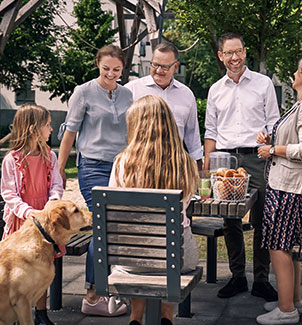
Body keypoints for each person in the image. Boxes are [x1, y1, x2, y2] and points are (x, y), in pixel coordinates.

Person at [109, 95, 199, 325]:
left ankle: (135, 317)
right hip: (176, 259)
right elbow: (185, 205)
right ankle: (166, 316)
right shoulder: (186, 163)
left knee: (142, 256)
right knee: (168, 257)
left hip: (130, 258)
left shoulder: (121, 163)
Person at [255, 54, 302, 324]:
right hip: (286, 186)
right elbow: (296, 137)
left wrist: (271, 149)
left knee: (279, 247)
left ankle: (286, 310)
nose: (294, 73)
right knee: (288, 246)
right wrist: (272, 137)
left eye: (298, 70)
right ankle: (293, 300)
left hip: (290, 189)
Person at [204, 32, 280, 300]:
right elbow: (211, 130)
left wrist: (268, 137)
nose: (234, 57)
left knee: (262, 219)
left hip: (258, 158)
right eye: (229, 53)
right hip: (226, 160)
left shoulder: (263, 84)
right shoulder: (215, 89)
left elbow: (274, 121)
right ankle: (237, 277)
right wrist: (208, 165)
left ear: (245, 52)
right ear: (220, 55)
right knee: (230, 220)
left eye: (239, 51)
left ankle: (261, 279)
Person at [57, 44, 132, 316]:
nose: (111, 74)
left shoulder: (127, 94)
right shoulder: (83, 92)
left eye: (117, 69)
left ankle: (111, 287)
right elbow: (70, 133)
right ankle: (91, 295)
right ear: (97, 65)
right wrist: (60, 167)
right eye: (106, 69)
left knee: (116, 227)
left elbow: (131, 133)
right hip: (93, 168)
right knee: (102, 225)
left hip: (121, 168)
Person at [1, 104, 64, 325]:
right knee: (20, 269)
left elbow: (57, 184)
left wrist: (51, 204)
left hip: (44, 222)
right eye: (47, 124)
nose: (51, 128)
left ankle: (41, 313)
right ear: (33, 129)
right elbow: (8, 192)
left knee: (43, 267)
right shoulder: (12, 160)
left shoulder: (50, 157)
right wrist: (28, 212)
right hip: (22, 221)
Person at [125, 41, 203, 168]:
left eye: (165, 67)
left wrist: (198, 166)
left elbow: (192, 135)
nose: (159, 70)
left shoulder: (186, 95)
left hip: (174, 166)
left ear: (176, 66)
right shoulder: (131, 90)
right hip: (138, 164)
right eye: (155, 65)